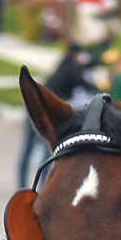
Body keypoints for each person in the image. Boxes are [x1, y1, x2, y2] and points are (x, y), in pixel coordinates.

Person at [16, 43, 99, 186]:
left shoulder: (66, 64)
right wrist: (103, 92)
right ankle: (44, 184)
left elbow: (86, 66)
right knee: (47, 147)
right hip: (44, 110)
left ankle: (22, 185)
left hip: (33, 107)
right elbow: (83, 82)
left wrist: (100, 62)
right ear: (76, 55)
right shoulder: (71, 68)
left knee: (29, 147)